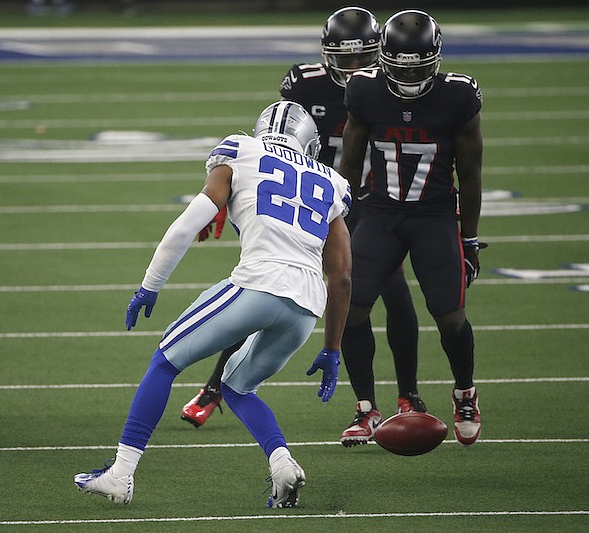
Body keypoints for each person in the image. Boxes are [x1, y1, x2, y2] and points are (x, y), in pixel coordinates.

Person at [74, 101, 352, 508]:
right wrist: (332, 348)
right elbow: (342, 276)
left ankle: (121, 474)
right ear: (309, 145)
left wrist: (150, 286)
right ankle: (282, 464)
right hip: (308, 303)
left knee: (165, 362)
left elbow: (188, 223)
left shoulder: (241, 150)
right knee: (238, 388)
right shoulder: (332, 181)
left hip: (258, 283)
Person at [181, 6, 424, 434]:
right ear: (327, 55)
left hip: (370, 201)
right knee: (258, 286)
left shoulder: (392, 88)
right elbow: (274, 145)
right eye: (343, 58)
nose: (352, 68)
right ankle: (215, 387)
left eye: (361, 59)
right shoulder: (305, 83)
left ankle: (407, 396)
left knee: (392, 289)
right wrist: (223, 200)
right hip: (310, 202)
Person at [337, 10, 485, 447]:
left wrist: (470, 238)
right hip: (380, 213)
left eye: (419, 65)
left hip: (435, 215)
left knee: (450, 314)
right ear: (384, 59)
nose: (410, 73)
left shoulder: (457, 97)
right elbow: (349, 160)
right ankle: (365, 408)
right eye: (401, 65)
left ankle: (465, 392)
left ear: (435, 59)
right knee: (351, 305)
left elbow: (471, 174)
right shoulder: (364, 89)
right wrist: (340, 221)